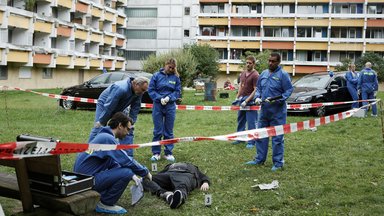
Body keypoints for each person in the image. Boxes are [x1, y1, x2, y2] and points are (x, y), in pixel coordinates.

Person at [74, 112, 152, 214]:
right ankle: (105, 203)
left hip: (82, 180)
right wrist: (145, 172)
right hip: (86, 182)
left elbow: (112, 161)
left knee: (127, 172)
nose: (128, 133)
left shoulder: (104, 136)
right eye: (127, 129)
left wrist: (133, 175)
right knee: (126, 172)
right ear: (120, 126)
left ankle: (102, 196)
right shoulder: (108, 139)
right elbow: (126, 160)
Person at [246, 52, 293, 171]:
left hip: (277, 112)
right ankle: (259, 159)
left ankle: (278, 163)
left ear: (278, 62)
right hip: (264, 111)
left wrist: (277, 100)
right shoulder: (264, 74)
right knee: (261, 135)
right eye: (269, 61)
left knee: (277, 138)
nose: (270, 63)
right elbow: (259, 88)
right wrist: (257, 96)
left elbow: (288, 91)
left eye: (273, 61)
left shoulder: (283, 75)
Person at [88, 76, 150, 157]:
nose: (143, 93)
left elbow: (135, 108)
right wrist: (102, 121)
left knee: (128, 129)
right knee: (99, 127)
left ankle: (127, 156)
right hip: (105, 104)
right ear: (136, 84)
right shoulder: (121, 88)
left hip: (120, 106)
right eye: (142, 90)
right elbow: (109, 106)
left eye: (145, 91)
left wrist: (131, 122)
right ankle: (89, 152)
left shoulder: (138, 92)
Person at [148, 58, 182, 162]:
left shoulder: (176, 77)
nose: (171, 69)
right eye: (169, 67)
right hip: (158, 105)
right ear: (165, 65)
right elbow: (151, 90)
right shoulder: (156, 76)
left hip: (170, 106)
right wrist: (159, 98)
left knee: (169, 131)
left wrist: (169, 98)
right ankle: (156, 153)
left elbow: (177, 91)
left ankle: (168, 153)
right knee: (158, 131)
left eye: (173, 68)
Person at [142, 162, 210, 209]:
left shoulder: (193, 167)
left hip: (185, 175)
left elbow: (202, 175)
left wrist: (205, 182)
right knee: (146, 180)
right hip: (169, 174)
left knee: (182, 185)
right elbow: (159, 174)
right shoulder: (169, 166)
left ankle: (179, 199)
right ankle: (165, 194)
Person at [231, 56, 259, 149]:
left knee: (251, 122)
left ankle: (251, 141)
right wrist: (237, 97)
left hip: (250, 101)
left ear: (253, 64)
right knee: (241, 120)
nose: (248, 64)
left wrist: (247, 101)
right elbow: (241, 86)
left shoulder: (255, 75)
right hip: (242, 100)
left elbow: (255, 90)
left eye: (250, 63)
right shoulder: (242, 74)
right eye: (246, 62)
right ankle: (240, 138)